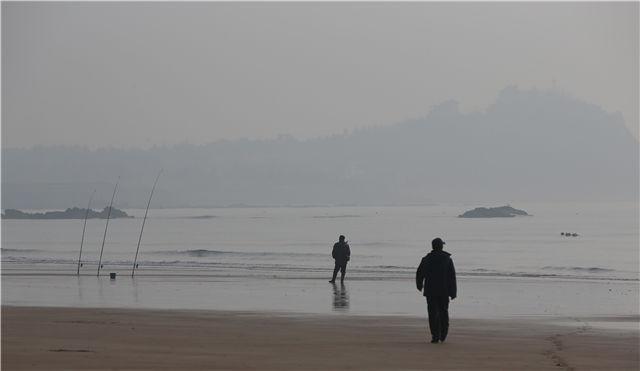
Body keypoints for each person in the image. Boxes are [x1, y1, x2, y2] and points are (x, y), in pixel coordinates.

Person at [415, 237, 457, 343]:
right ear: (441, 246)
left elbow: (419, 273)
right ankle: (443, 335)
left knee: (432, 313)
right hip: (444, 291)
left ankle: (435, 336)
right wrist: (453, 292)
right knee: (443, 312)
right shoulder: (447, 259)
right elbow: (451, 277)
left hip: (430, 291)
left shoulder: (426, 259)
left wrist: (419, 285)